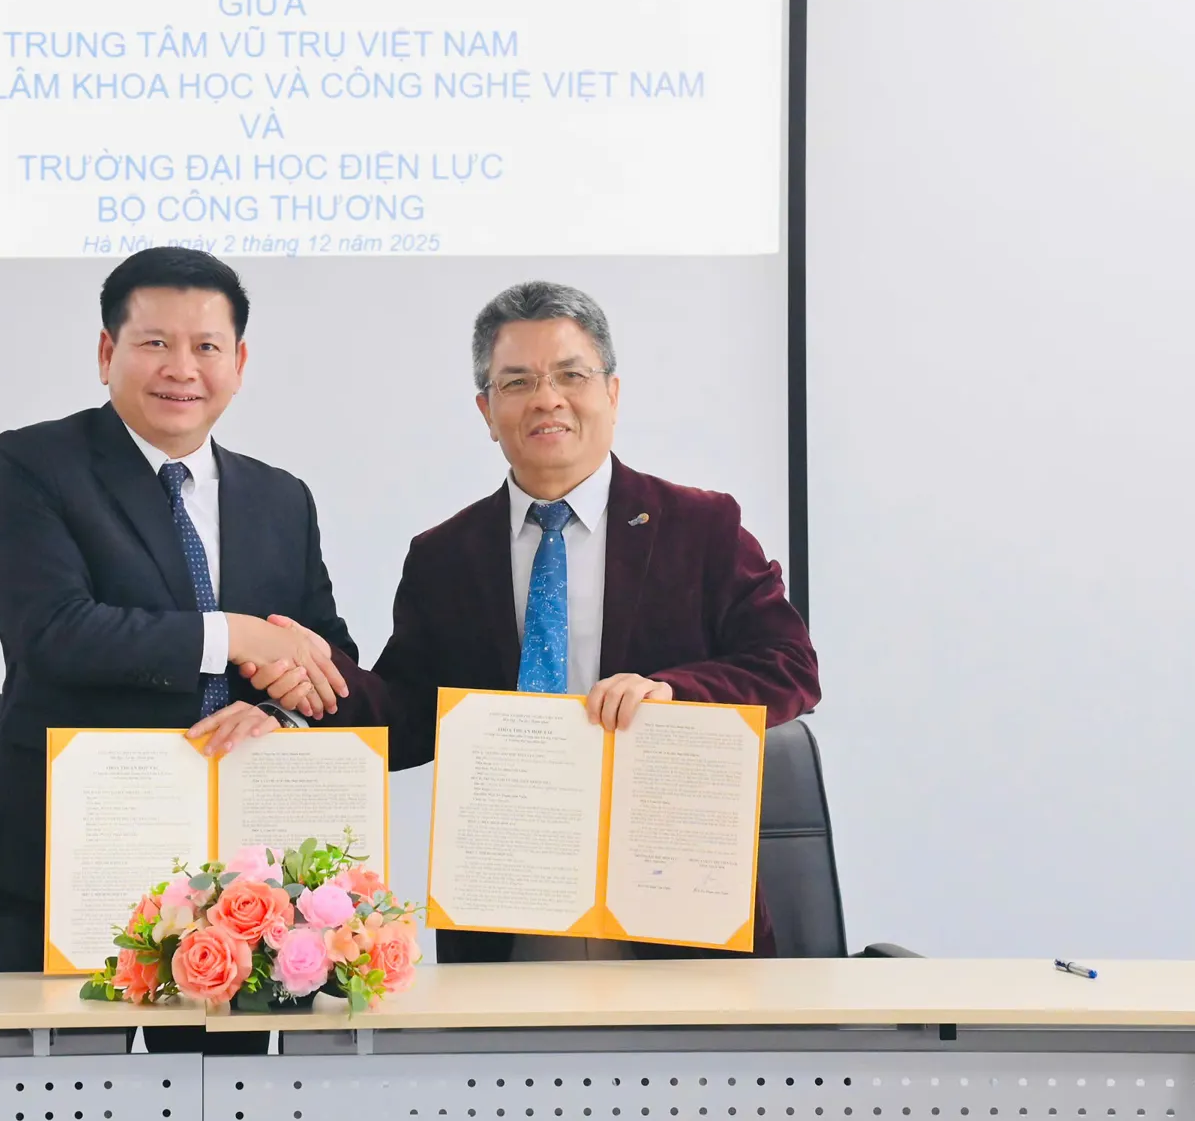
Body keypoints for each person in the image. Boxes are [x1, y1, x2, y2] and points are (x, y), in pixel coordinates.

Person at [244, 280, 820, 962]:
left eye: (571, 375)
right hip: (507, 905)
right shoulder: (446, 555)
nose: (547, 398)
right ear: (487, 411)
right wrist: (313, 675)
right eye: (517, 382)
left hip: (673, 909)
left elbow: (790, 667)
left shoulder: (700, 526)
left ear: (612, 393)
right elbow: (406, 716)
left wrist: (672, 692)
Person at [0, 247, 390, 1048]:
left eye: (206, 346)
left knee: (224, 1089)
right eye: (154, 342)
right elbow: (55, 632)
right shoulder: (33, 464)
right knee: (61, 1087)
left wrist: (277, 712)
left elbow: (326, 652)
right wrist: (235, 634)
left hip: (240, 875)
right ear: (106, 352)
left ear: (239, 363)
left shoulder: (280, 496)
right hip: (76, 844)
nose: (181, 368)